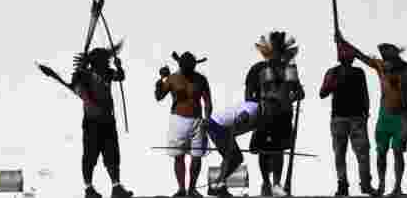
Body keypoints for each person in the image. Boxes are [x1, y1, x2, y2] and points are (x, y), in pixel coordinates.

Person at [206, 31, 305, 198]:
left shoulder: (289, 70)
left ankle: (276, 185)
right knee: (264, 150)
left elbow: (299, 92)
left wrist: (289, 99)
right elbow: (248, 96)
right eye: (274, 51)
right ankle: (266, 183)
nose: (277, 55)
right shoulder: (258, 69)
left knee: (278, 150)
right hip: (262, 114)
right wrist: (258, 107)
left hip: (282, 116)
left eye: (280, 51)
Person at [335, 33, 407, 198]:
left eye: (390, 60)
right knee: (381, 152)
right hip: (384, 117)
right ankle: (382, 185)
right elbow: (360, 55)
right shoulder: (381, 66)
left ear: (396, 57)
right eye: (386, 60)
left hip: (402, 116)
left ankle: (397, 187)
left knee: (398, 151)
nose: (388, 64)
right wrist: (343, 42)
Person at [67, 43, 135, 198]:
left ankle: (116, 187)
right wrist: (80, 74)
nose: (108, 63)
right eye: (105, 60)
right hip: (92, 122)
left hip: (107, 120)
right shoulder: (84, 74)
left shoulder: (107, 73)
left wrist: (120, 67)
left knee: (112, 154)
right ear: (97, 61)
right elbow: (77, 88)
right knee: (90, 155)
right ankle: (89, 189)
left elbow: (120, 76)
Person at [320, 40, 375, 196]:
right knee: (340, 153)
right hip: (339, 118)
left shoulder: (358, 72)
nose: (348, 58)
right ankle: (343, 185)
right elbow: (322, 93)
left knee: (362, 152)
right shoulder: (332, 72)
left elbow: (364, 94)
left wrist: (365, 113)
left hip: (357, 118)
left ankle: (365, 184)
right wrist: (333, 82)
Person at [156, 51, 213, 197]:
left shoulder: (200, 79)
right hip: (178, 120)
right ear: (180, 65)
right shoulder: (173, 78)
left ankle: (192, 188)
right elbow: (159, 96)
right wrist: (161, 81)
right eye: (186, 68)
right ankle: (182, 189)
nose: (188, 71)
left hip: (197, 121)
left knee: (197, 156)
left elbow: (207, 101)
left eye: (191, 68)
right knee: (178, 156)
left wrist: (207, 118)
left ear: (194, 66)